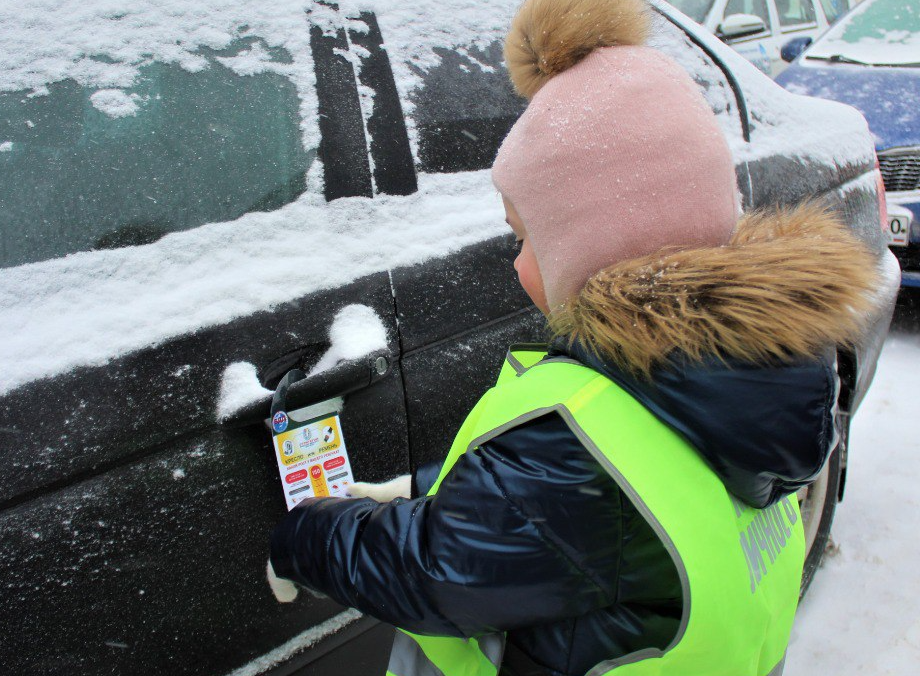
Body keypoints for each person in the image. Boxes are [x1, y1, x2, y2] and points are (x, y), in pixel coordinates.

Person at [266, 0, 882, 674]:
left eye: (527, 239)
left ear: (602, 252)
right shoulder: (749, 371)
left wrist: (309, 537)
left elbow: (436, 571)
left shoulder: (577, 442)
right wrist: (420, 488)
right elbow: (584, 518)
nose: (515, 264)